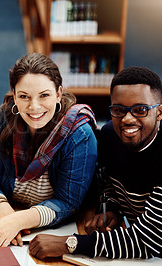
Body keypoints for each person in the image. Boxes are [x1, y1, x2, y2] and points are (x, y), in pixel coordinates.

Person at [29, 66, 162, 260]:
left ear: (159, 112)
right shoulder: (109, 136)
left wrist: (69, 244)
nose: (127, 119)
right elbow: (107, 183)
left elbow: (145, 242)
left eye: (140, 110)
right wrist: (112, 210)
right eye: (118, 110)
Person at [0, 53, 97, 248]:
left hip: (51, 232)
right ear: (14, 95)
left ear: (58, 94)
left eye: (44, 95)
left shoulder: (79, 134)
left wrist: (18, 221)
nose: (34, 106)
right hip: (10, 220)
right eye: (24, 96)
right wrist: (5, 214)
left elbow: (67, 202)